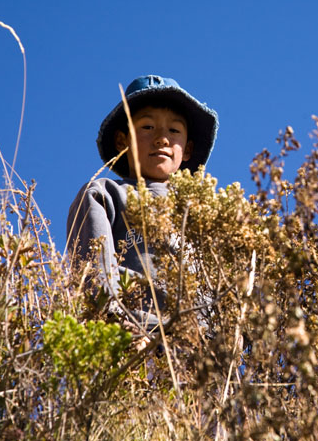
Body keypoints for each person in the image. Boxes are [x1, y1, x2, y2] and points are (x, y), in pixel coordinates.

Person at [66, 75, 218, 333]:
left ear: (188, 149)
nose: (162, 139)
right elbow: (94, 269)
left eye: (174, 130)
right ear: (122, 142)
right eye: (147, 127)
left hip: (197, 348)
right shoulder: (105, 193)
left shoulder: (206, 213)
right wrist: (115, 323)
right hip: (136, 335)